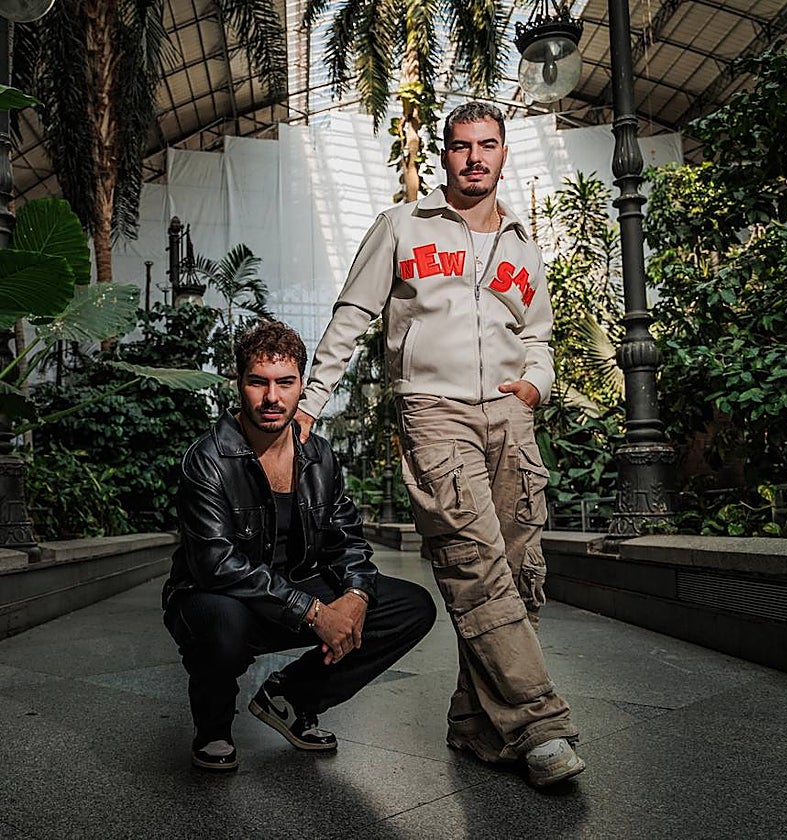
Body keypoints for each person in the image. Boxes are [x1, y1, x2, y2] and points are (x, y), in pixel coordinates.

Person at [294, 101, 584, 788]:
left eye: (488, 145)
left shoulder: (522, 245)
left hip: (510, 416)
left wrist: (535, 386)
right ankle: (540, 725)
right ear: (444, 156)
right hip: (434, 411)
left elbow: (538, 331)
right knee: (473, 568)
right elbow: (353, 317)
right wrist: (308, 406)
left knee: (519, 577)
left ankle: (474, 723)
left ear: (504, 153)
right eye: (461, 146)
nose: (475, 157)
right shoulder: (401, 226)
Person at [162, 320, 437, 772]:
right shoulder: (207, 458)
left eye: (285, 383)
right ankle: (213, 727)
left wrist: (354, 598)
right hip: (220, 598)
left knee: (411, 606)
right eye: (259, 382)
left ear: (302, 387)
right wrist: (315, 613)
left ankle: (289, 699)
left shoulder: (319, 456)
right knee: (220, 624)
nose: (272, 397)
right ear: (239, 384)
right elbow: (216, 564)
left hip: (294, 593)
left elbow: (348, 540)